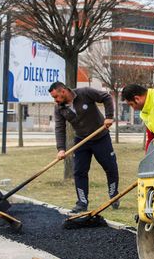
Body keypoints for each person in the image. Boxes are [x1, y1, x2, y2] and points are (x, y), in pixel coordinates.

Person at [49, 81, 118, 213]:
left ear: (63, 91)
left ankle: (114, 196)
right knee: (79, 172)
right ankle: (82, 202)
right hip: (81, 140)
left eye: (56, 97)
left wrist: (109, 117)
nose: (55, 100)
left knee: (110, 168)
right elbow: (59, 128)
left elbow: (106, 97)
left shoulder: (85, 93)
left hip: (100, 137)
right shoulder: (59, 108)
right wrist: (61, 149)